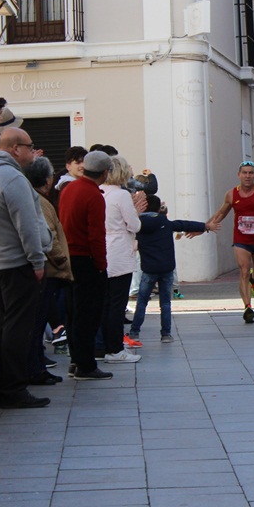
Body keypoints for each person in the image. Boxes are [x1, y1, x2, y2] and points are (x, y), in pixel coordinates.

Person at [0, 127, 54, 408]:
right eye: (30, 146)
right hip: (17, 264)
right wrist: (37, 260)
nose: (33, 151)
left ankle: (6, 386)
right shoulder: (12, 178)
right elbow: (27, 225)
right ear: (16, 148)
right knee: (18, 328)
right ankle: (14, 389)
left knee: (5, 327)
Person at [206, 160, 254, 324]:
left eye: (250, 173)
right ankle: (248, 307)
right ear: (239, 175)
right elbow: (221, 213)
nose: (247, 176)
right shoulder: (231, 194)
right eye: (244, 173)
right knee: (243, 270)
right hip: (241, 239)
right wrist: (205, 226)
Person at [131, 195, 216, 344]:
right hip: (166, 268)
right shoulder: (165, 222)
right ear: (158, 208)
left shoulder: (138, 225)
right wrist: (205, 226)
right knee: (165, 303)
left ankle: (134, 332)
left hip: (149, 269)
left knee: (142, 302)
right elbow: (183, 224)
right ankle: (166, 334)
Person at [59, 149, 113, 381]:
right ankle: (86, 364)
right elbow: (95, 235)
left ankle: (76, 360)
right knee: (88, 315)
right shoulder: (94, 196)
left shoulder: (69, 189)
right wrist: (101, 264)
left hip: (68, 257)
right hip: (86, 260)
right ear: (105, 173)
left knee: (73, 312)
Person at [23, 157, 72, 385]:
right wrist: (61, 259)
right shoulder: (40, 201)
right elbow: (47, 235)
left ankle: (37, 365)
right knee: (37, 320)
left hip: (47, 267)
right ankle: (35, 367)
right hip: (48, 268)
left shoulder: (39, 199)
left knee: (38, 320)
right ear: (48, 179)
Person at [101, 155, 146, 362]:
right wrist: (136, 213)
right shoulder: (121, 195)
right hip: (119, 252)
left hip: (103, 251)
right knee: (117, 304)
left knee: (105, 302)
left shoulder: (100, 192)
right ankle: (115, 348)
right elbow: (134, 225)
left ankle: (103, 345)